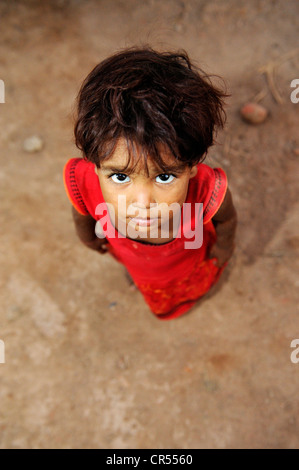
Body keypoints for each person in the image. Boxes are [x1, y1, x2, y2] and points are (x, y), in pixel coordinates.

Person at [63, 47, 237, 320]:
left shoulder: (204, 190)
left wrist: (224, 247)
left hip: (185, 266)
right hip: (132, 258)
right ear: (95, 165)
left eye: (164, 177)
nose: (143, 202)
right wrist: (87, 235)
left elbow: (226, 220)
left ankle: (182, 301)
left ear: (192, 167)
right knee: (140, 272)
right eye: (120, 177)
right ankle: (139, 275)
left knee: (183, 290)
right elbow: (81, 209)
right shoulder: (87, 182)